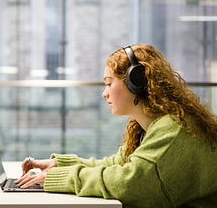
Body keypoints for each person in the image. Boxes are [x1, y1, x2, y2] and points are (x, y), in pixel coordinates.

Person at [15, 43, 217, 207]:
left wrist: (62, 177)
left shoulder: (173, 128)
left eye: (109, 83)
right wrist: (61, 165)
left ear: (135, 82)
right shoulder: (150, 127)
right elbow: (117, 164)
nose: (104, 93)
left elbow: (128, 183)